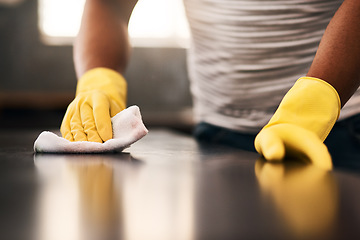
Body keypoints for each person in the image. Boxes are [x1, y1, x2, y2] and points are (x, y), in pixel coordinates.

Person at [60, 0, 360, 168]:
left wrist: (313, 106)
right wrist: (99, 80)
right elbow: (110, 6)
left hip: (339, 130)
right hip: (217, 132)